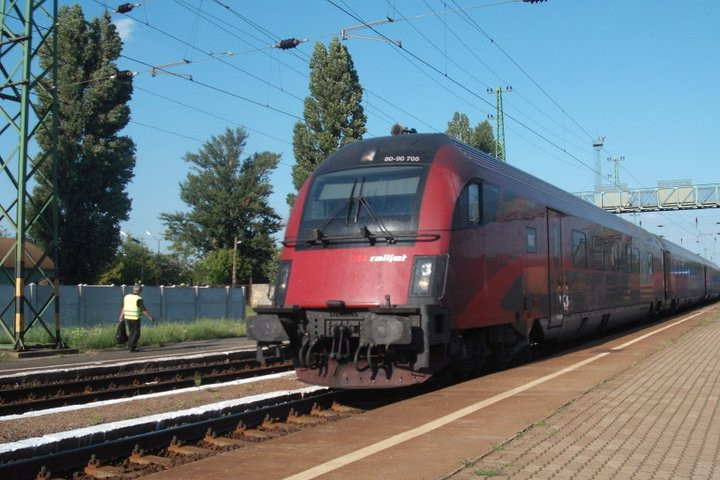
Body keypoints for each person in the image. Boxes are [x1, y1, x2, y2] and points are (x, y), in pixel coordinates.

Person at [118, 285, 155, 352]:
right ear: (140, 291)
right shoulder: (138, 298)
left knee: (131, 332)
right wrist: (150, 317)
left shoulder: (127, 297)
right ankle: (132, 348)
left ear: (133, 289)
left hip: (127, 317)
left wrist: (121, 315)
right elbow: (143, 309)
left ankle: (131, 346)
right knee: (136, 333)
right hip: (135, 318)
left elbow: (123, 307)